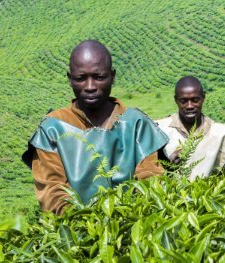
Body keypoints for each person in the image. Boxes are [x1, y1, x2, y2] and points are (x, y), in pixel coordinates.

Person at [23, 40, 168, 214]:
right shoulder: (52, 128)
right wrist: (84, 225)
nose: (90, 87)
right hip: (75, 234)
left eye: (99, 77)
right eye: (81, 78)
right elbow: (52, 193)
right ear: (70, 79)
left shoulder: (136, 123)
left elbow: (151, 179)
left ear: (112, 76)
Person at [156, 76, 225, 180]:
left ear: (203, 97)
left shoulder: (224, 135)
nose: (190, 106)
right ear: (176, 100)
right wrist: (166, 166)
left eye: (195, 100)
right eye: (183, 101)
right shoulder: (158, 131)